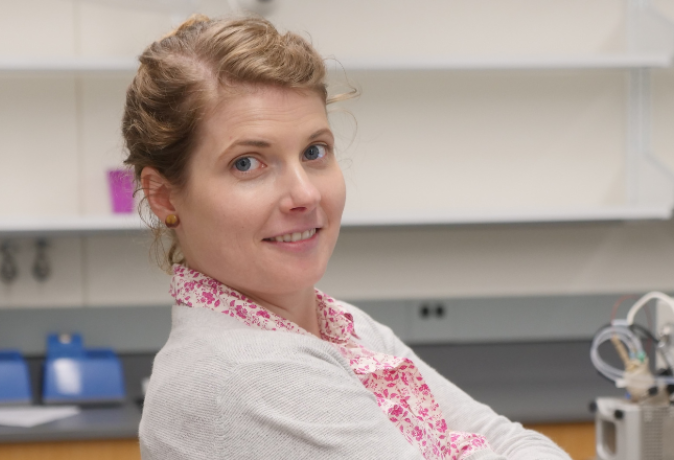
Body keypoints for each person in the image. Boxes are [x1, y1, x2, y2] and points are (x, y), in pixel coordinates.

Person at [122, 14, 572, 460]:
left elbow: (506, 437)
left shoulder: (342, 326)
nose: (305, 193)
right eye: (247, 163)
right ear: (163, 197)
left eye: (314, 152)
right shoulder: (243, 374)